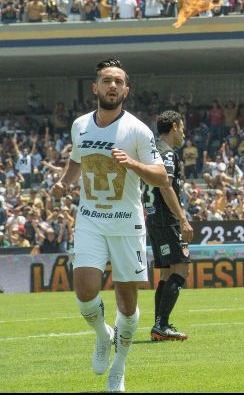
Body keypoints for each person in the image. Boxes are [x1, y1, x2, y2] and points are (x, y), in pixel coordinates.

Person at [50, 59, 167, 392]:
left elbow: (161, 176)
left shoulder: (138, 130)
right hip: (90, 218)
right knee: (85, 290)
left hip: (127, 222)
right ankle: (103, 336)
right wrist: (63, 183)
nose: (112, 86)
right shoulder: (80, 126)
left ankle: (119, 367)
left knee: (127, 305)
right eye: (106, 81)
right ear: (95, 88)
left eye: (118, 81)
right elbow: (76, 162)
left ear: (126, 90)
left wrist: (131, 163)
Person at [145, 110, 194, 342]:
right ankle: (162, 325)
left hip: (154, 218)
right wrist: (182, 219)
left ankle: (159, 326)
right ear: (174, 126)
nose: (183, 132)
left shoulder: (151, 150)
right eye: (182, 127)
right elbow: (166, 187)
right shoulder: (166, 154)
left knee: (166, 273)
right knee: (181, 269)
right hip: (167, 220)